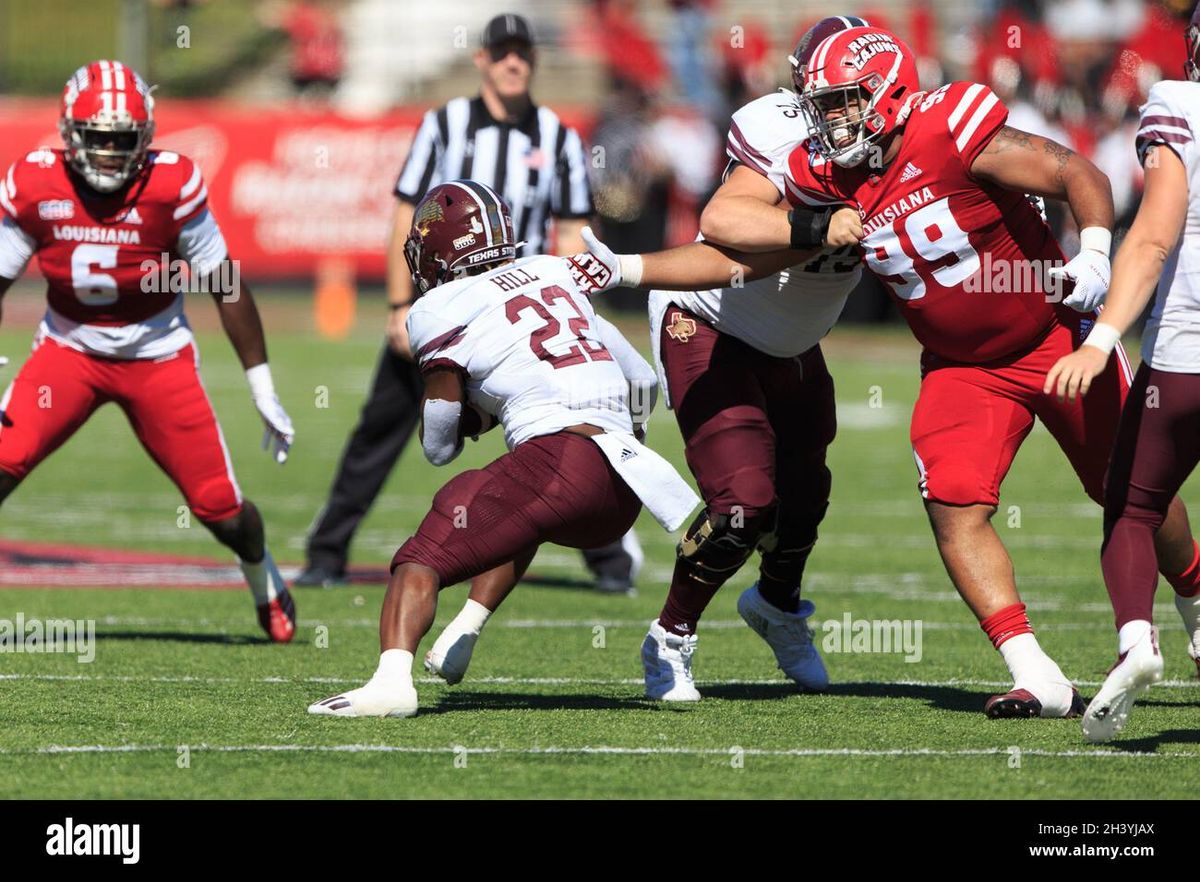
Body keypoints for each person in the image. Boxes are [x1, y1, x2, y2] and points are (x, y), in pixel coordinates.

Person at [571, 24, 1200, 719]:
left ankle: (1196, 598)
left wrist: (1092, 252)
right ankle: (1036, 673)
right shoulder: (827, 175)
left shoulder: (950, 126)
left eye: (841, 102)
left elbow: (1071, 171)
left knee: (1131, 491)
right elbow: (737, 256)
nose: (827, 119)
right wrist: (629, 268)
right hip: (963, 368)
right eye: (823, 104)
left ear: (886, 92)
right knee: (953, 506)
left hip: (1053, 334)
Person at [308, 181, 697, 717]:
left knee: (421, 556)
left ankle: (391, 682)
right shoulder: (551, 269)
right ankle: (466, 628)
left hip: (559, 460)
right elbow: (640, 378)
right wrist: (624, 433)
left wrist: (477, 416)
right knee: (519, 512)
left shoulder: (440, 306)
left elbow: (440, 442)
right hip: (626, 481)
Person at [296, 13, 643, 594]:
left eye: (523, 54)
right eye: (502, 52)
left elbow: (574, 228)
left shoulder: (556, 134)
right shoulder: (445, 124)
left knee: (561, 428)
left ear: (533, 61)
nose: (513, 63)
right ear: (481, 58)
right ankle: (327, 550)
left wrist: (574, 304)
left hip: (519, 312)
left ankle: (609, 562)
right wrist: (398, 306)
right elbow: (406, 214)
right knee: (379, 427)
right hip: (441, 309)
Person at [0, 60, 297, 642]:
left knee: (222, 511)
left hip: (158, 359)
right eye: (98, 138)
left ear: (146, 139)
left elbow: (224, 282)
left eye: (123, 140)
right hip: (68, 354)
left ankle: (262, 572)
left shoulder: (172, 184)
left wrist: (261, 383)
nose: (110, 153)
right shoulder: (35, 182)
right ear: (70, 133)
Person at [631, 14, 869, 702]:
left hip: (793, 338)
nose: (845, 111)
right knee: (742, 505)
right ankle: (670, 637)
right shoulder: (774, 126)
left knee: (806, 498)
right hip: (710, 319)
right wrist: (818, 225)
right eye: (831, 95)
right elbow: (723, 221)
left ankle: (775, 605)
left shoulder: (901, 140)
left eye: (857, 93)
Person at [1044, 5, 1200, 742]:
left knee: (1133, 507)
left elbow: (1154, 238)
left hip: (1186, 357)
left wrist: (1101, 339)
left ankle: (1137, 642)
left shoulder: (1178, 102)